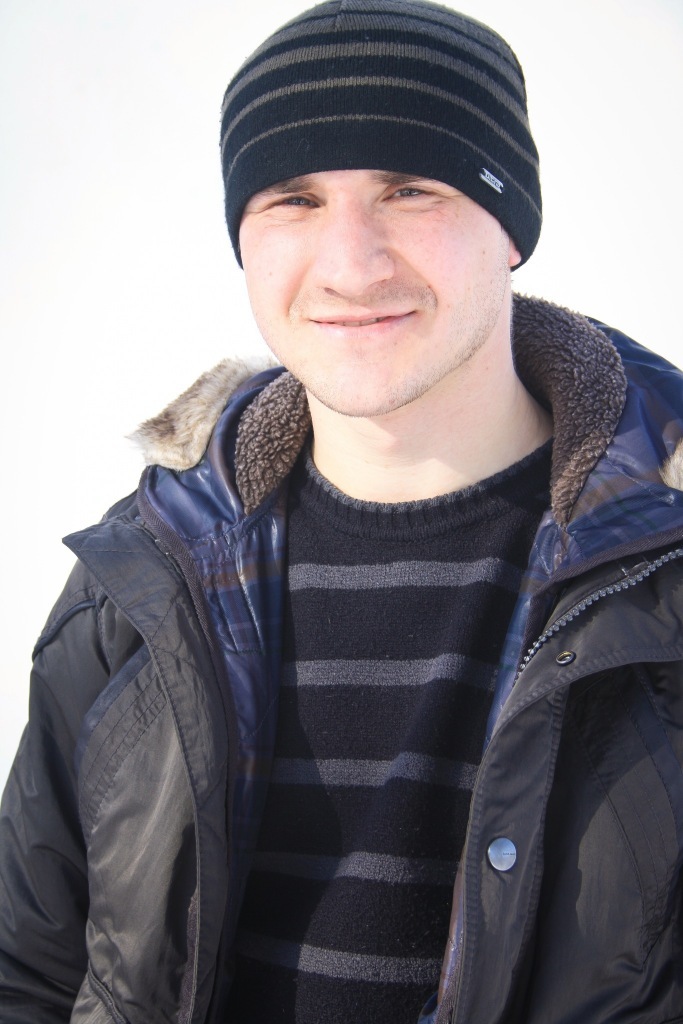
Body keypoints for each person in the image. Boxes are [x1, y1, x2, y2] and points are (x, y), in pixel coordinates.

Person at [2, 0, 683, 1021]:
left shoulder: (659, 572)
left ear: (510, 227)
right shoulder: (144, 576)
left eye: (410, 189)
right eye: (294, 198)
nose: (351, 264)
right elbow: (28, 970)